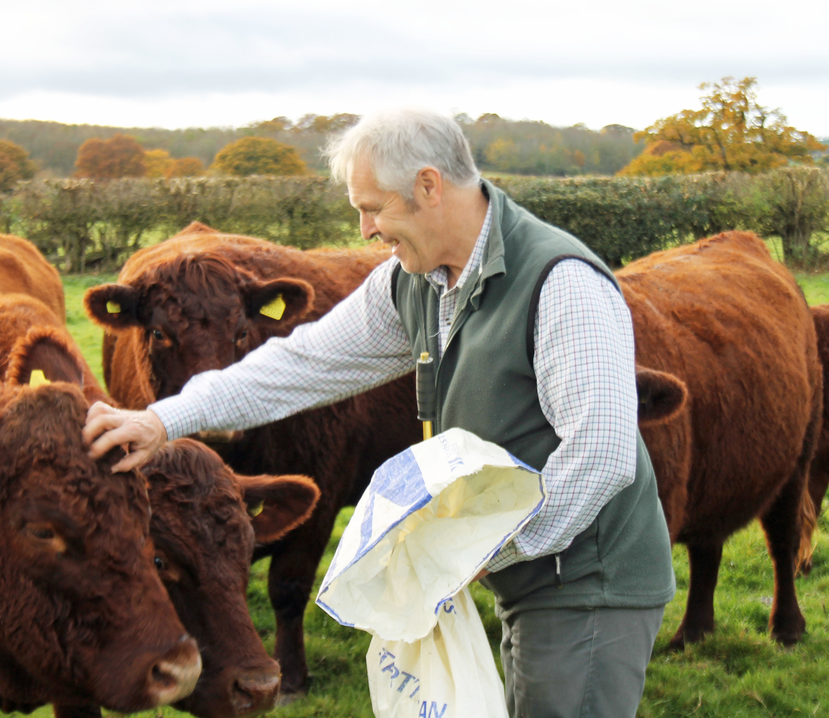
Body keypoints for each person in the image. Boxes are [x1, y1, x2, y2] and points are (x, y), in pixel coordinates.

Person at [83, 109, 675, 718]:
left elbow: (601, 453)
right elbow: (305, 362)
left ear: (428, 186)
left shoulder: (561, 282)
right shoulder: (415, 280)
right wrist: (164, 420)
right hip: (526, 573)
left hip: (588, 582)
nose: (364, 228)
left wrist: (480, 552)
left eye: (373, 207)